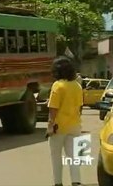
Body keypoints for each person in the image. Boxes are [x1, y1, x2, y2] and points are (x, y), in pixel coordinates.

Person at [47, 56, 83, 186]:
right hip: (75, 126)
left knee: (56, 157)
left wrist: (50, 125)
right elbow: (79, 107)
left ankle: (58, 183)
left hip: (59, 127)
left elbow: (53, 108)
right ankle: (76, 182)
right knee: (74, 157)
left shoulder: (58, 86)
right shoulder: (77, 86)